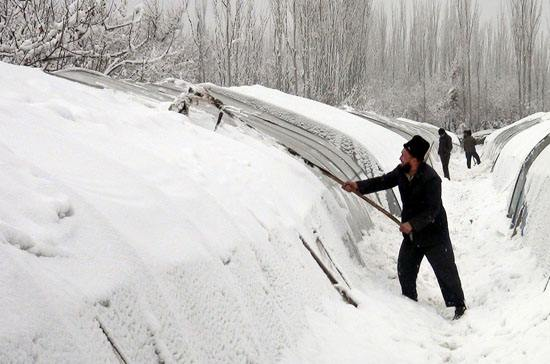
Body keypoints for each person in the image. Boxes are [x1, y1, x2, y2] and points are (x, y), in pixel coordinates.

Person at [341, 135, 467, 320]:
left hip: (434, 234)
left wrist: (412, 224)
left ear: (414, 158)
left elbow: (433, 211)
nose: (400, 157)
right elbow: (382, 181)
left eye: (404, 154)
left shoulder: (432, 179)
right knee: (405, 269)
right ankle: (410, 303)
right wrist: (357, 185)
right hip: (412, 235)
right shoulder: (401, 171)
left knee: (445, 271)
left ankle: (459, 307)